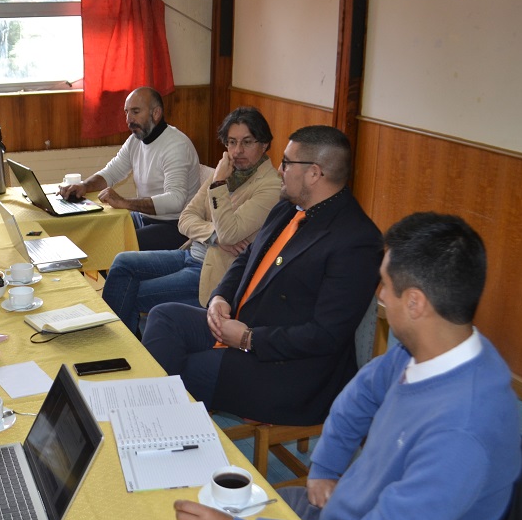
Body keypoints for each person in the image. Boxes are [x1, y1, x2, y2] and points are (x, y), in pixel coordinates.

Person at [174, 212, 522, 520]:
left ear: (416, 303)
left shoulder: (461, 433)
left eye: (385, 285)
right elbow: (361, 394)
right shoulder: (431, 348)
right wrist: (324, 467)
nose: (379, 294)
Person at [142, 125, 382, 424]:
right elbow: (246, 258)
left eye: (286, 162)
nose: (279, 170)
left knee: (183, 370)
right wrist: (220, 297)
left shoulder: (355, 240)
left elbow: (326, 336)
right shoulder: (288, 208)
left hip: (287, 369)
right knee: (164, 316)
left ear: (314, 173)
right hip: (241, 327)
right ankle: (160, 425)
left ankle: (155, 427)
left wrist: (247, 338)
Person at [102, 106, 281, 334]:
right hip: (190, 253)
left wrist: (218, 186)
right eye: (232, 142)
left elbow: (231, 234)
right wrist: (213, 235)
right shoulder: (225, 172)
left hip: (213, 270)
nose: (237, 151)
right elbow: (186, 218)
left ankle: (125, 355)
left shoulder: (270, 186)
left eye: (247, 142)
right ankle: (122, 348)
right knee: (121, 263)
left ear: (264, 144)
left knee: (130, 292)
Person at [58, 87, 201, 250]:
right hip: (144, 218)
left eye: (135, 111)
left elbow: (176, 200)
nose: (128, 119)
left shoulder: (175, 146)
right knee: (97, 232)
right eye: (126, 112)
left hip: (176, 226)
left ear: (156, 113)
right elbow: (111, 172)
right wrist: (84, 186)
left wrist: (124, 202)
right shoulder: (135, 140)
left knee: (111, 246)